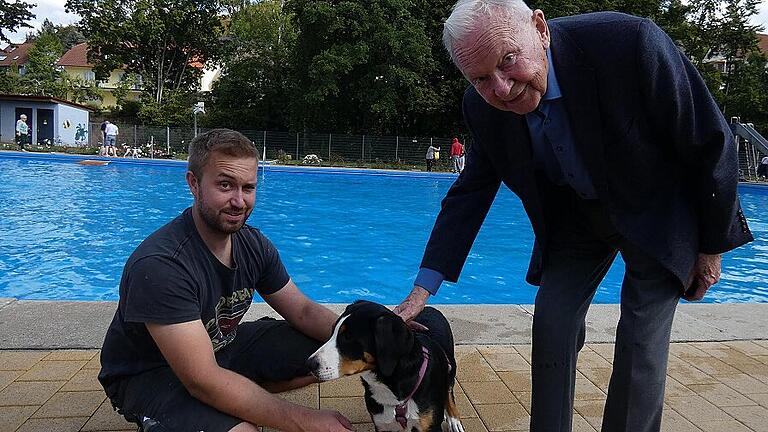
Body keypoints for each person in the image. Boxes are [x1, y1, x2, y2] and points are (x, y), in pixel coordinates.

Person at [393, 2, 753, 432]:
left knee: (640, 339)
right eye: (481, 78)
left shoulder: (629, 45)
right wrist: (422, 289)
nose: (502, 89)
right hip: (575, 220)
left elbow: (710, 141)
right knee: (551, 323)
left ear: (540, 29)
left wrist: (711, 247)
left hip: (655, 212)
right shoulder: (481, 106)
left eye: (508, 61)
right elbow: (470, 192)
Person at [98, 129, 353, 432]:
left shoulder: (252, 245)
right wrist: (304, 420)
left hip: (219, 349)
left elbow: (303, 311)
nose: (239, 201)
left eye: (248, 187)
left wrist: (367, 337)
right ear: (194, 183)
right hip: (151, 374)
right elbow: (202, 380)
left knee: (333, 349)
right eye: (225, 185)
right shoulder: (161, 265)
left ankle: (235, 397)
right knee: (243, 429)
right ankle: (177, 417)